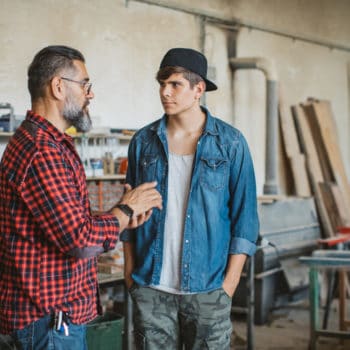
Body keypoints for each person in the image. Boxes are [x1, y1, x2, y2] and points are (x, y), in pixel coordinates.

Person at [0, 45, 162, 350]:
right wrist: (127, 208)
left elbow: (68, 222)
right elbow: (79, 239)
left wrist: (119, 215)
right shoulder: (42, 151)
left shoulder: (50, 143)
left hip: (51, 320)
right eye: (85, 85)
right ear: (58, 87)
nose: (91, 94)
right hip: (49, 323)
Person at [122, 47, 259, 349]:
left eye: (174, 84)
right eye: (161, 84)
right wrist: (130, 274)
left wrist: (229, 285)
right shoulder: (143, 142)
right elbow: (128, 213)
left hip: (209, 290)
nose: (165, 92)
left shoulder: (230, 143)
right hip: (151, 286)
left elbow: (245, 220)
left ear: (198, 89)